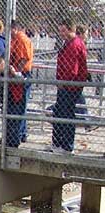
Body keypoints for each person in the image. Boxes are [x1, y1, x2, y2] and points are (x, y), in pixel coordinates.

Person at [50, 19, 87, 154]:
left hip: (69, 87)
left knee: (66, 115)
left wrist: (63, 83)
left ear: (72, 30)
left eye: (64, 30)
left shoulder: (74, 44)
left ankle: (66, 146)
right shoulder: (69, 43)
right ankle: (59, 144)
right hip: (66, 86)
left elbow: (72, 69)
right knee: (60, 113)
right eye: (60, 30)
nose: (61, 33)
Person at [0, 56, 25, 147]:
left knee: (13, 121)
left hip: (14, 98)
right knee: (7, 121)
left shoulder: (10, 70)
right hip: (7, 99)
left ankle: (13, 141)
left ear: (0, 66)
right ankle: (7, 139)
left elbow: (21, 79)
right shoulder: (0, 74)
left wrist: (14, 73)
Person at [9, 20, 34, 144]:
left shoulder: (21, 38)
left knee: (20, 105)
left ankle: (18, 135)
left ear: (15, 29)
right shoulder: (15, 39)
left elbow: (24, 58)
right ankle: (21, 133)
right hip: (18, 72)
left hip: (22, 73)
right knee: (18, 105)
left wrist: (16, 73)